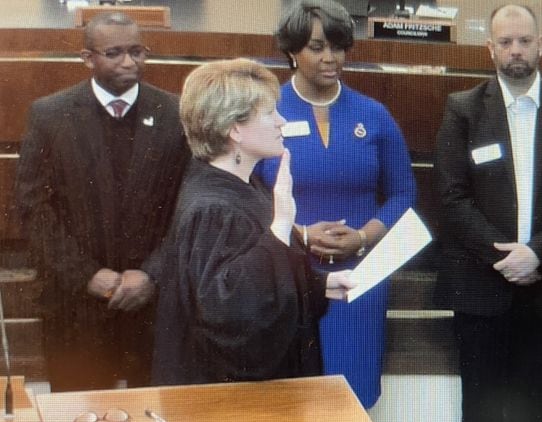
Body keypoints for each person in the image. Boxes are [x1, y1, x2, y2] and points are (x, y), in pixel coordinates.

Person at [432, 5, 542, 422]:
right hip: (482, 293)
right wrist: (504, 257)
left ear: (541, 43)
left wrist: (537, 254)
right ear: (490, 48)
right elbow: (451, 197)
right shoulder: (462, 110)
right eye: (505, 42)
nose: (516, 50)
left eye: (524, 40)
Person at [150, 58, 355, 386]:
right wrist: (281, 226)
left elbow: (258, 285)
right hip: (225, 405)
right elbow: (228, 313)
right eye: (270, 113)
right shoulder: (213, 208)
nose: (281, 122)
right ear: (234, 128)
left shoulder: (245, 185)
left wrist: (317, 286)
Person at [14, 12, 189, 392]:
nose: (129, 62)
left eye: (137, 51)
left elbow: (187, 208)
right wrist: (88, 276)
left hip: (151, 304)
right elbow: (34, 210)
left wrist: (151, 275)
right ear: (87, 58)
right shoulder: (50, 115)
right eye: (115, 53)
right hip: (76, 306)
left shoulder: (175, 114)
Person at [257, 0, 416, 408]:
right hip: (289, 283)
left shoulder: (373, 114)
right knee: (291, 406)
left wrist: (363, 238)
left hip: (358, 284)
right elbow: (248, 195)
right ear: (292, 51)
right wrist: (300, 233)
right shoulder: (265, 113)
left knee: (351, 404)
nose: (331, 58)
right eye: (316, 46)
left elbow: (404, 194)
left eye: (339, 46)